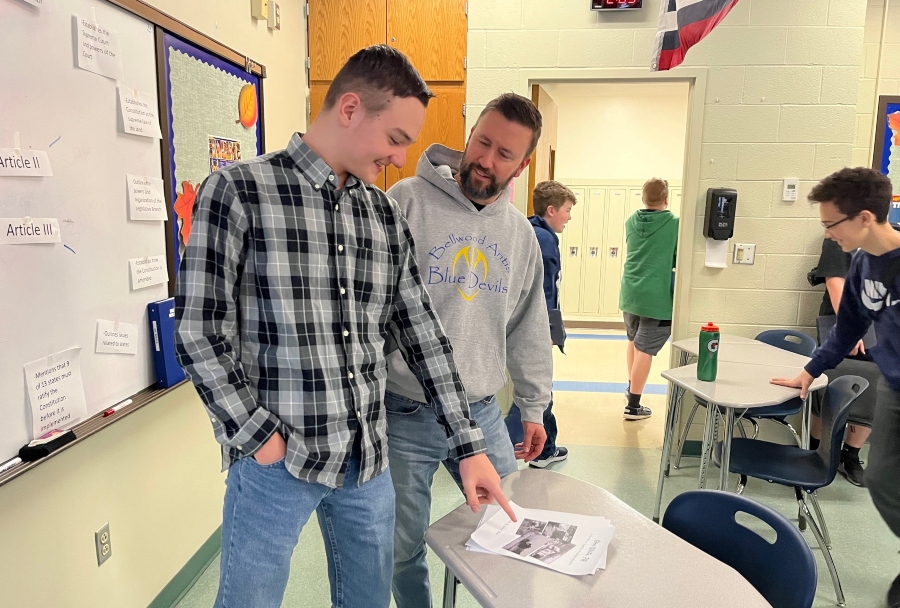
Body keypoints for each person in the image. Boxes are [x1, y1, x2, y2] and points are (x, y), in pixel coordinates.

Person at [174, 46, 513, 608]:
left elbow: (423, 334)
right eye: (397, 139)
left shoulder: (382, 215)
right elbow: (198, 331)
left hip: (368, 463)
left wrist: (468, 444)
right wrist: (259, 439)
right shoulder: (238, 192)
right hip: (276, 462)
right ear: (350, 109)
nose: (401, 159)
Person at [383, 92, 553, 608]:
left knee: (512, 535)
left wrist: (533, 403)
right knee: (401, 548)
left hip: (481, 413)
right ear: (469, 134)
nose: (486, 159)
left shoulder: (521, 235)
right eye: (482, 142)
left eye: (504, 153)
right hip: (404, 412)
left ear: (522, 166)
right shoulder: (404, 203)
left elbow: (528, 324)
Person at [772, 167, 900, 608]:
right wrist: (808, 373)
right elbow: (846, 330)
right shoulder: (864, 262)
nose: (828, 235)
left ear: (865, 217)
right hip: (895, 388)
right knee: (883, 479)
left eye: (831, 224)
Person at [505, 180, 576, 468]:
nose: (569, 217)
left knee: (536, 388)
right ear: (551, 210)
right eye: (567, 210)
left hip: (534, 322)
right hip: (538, 324)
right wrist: (545, 327)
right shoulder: (543, 239)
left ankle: (544, 446)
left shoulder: (530, 230)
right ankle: (537, 448)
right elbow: (542, 288)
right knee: (539, 388)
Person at [809, 236, 883, 486]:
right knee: (828, 384)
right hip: (842, 321)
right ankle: (816, 450)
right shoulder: (837, 235)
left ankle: (850, 455)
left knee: (874, 388)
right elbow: (835, 282)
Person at [619, 178, 679, 420]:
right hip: (656, 297)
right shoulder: (674, 223)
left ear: (643, 198)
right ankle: (634, 405)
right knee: (646, 349)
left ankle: (631, 387)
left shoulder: (631, 221)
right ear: (666, 198)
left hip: (631, 292)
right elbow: (677, 256)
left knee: (633, 341)